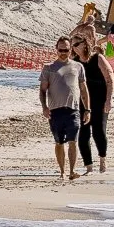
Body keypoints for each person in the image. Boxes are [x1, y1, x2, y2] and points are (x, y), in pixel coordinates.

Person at [39, 37, 91, 181]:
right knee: (59, 142)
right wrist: (44, 107)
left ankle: (72, 171)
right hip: (55, 111)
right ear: (56, 49)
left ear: (70, 50)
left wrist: (87, 109)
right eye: (60, 50)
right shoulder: (48, 68)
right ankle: (62, 171)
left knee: (73, 141)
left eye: (66, 50)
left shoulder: (78, 67)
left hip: (73, 110)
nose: (63, 53)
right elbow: (42, 90)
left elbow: (83, 88)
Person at [71, 35, 113, 174]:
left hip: (100, 100)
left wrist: (108, 99)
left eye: (77, 44)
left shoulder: (97, 58)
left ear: (84, 44)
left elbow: (109, 78)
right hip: (82, 101)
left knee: (98, 131)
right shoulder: (75, 62)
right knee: (83, 134)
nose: (75, 48)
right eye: (73, 45)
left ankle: (102, 160)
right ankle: (88, 166)